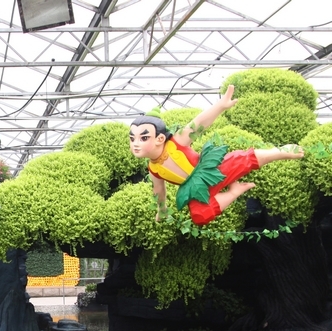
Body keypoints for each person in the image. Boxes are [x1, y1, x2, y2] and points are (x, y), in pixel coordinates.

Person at [129, 84, 304, 225]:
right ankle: (234, 192)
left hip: (210, 170)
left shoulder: (177, 141)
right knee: (200, 216)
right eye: (132, 139)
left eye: (143, 138)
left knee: (241, 159)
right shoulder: (154, 169)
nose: (135, 143)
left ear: (160, 138)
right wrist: (161, 210)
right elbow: (159, 190)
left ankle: (279, 152)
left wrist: (220, 106)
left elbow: (199, 123)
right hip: (196, 190)